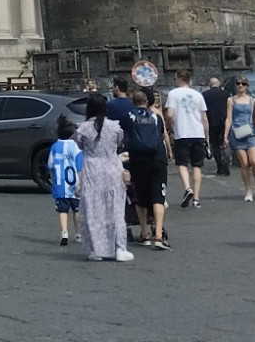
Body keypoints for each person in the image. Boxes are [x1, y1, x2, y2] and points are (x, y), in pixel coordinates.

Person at [75, 94, 134, 262]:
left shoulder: (83, 128)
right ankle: (120, 248)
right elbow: (119, 143)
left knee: (94, 210)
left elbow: (80, 145)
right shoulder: (114, 126)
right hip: (112, 168)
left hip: (92, 171)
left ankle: (97, 249)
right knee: (116, 210)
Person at [122, 88, 171, 248]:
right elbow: (162, 134)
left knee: (140, 198)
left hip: (137, 160)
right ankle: (158, 235)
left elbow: (123, 136)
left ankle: (144, 233)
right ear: (146, 102)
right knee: (158, 197)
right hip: (157, 159)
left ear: (133, 103)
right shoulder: (156, 116)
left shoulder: (128, 116)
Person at [163, 70, 209, 207]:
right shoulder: (198, 95)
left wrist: (169, 126)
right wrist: (207, 136)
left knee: (182, 164)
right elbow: (204, 119)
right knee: (197, 166)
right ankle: (196, 199)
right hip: (198, 133)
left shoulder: (173, 94)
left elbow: (170, 114)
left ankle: (188, 188)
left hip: (182, 133)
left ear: (178, 79)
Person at [49, 115, 84, 246]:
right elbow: (80, 167)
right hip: (74, 183)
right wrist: (81, 183)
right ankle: (79, 233)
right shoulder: (76, 148)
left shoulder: (54, 147)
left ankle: (64, 232)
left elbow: (51, 166)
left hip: (60, 184)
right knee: (77, 210)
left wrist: (53, 181)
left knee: (62, 210)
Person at [228, 77, 255, 201]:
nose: (240, 86)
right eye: (238, 83)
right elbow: (229, 118)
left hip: (250, 132)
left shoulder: (252, 101)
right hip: (237, 132)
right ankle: (248, 190)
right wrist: (225, 134)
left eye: (243, 84)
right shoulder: (231, 100)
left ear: (247, 86)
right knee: (244, 163)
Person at [202, 73, 231, 178]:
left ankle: (219, 165)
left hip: (211, 122)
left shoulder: (204, 95)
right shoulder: (226, 94)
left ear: (210, 85)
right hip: (224, 122)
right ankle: (226, 160)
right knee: (225, 141)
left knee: (214, 145)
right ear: (219, 85)